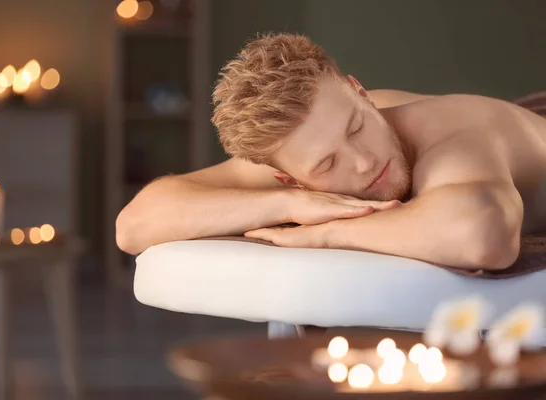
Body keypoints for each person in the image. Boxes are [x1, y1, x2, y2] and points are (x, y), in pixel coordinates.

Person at [116, 33, 546, 271]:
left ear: (360, 92)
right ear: (290, 176)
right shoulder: (292, 162)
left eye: (357, 127)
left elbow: (482, 237)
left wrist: (324, 233)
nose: (362, 161)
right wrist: (288, 203)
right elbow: (134, 225)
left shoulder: (456, 136)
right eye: (327, 164)